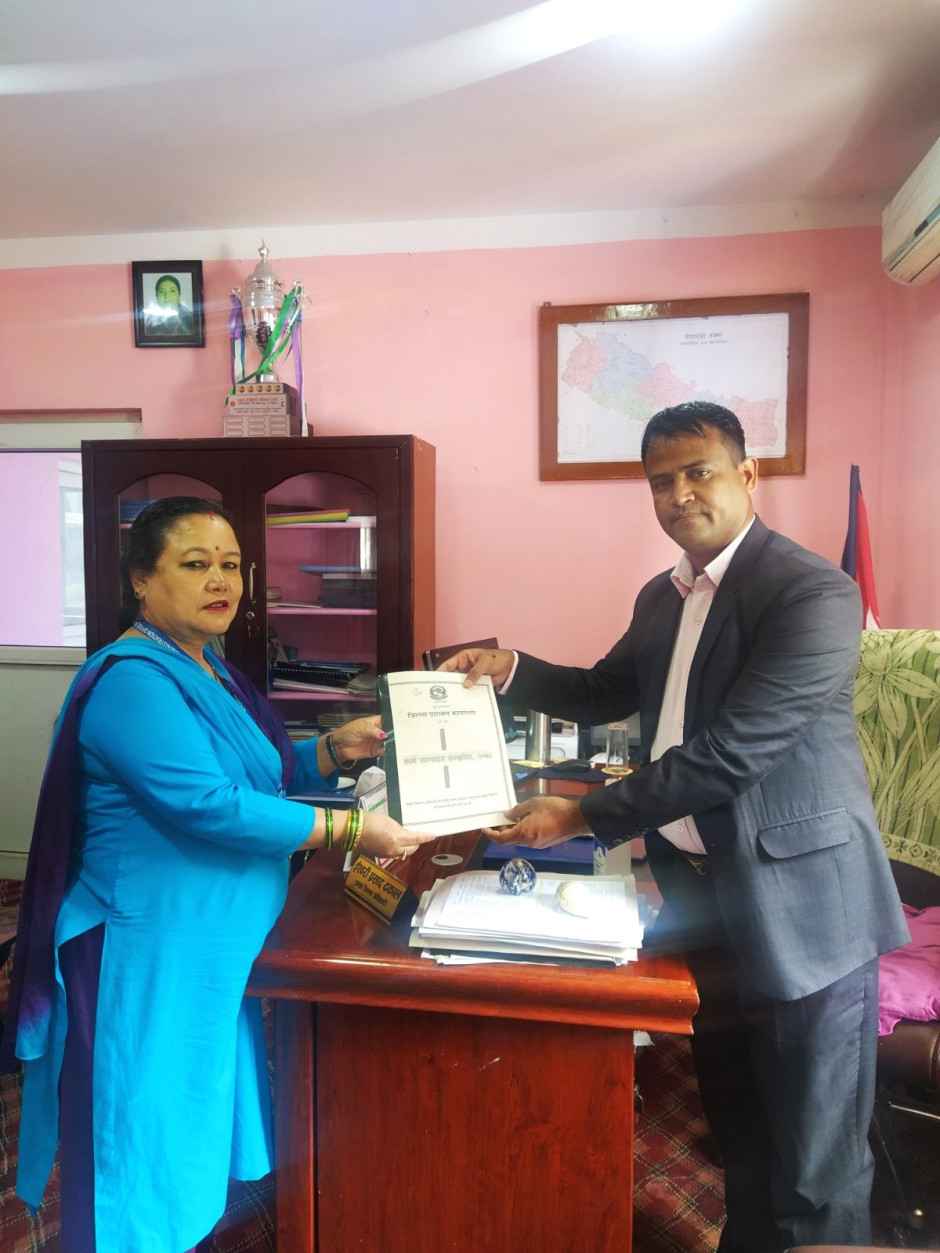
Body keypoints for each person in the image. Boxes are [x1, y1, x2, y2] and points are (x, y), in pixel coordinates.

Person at [440, 401, 909, 1253]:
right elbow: (603, 690)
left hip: (806, 907)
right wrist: (511, 669)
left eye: (699, 472)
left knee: (818, 1160)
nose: (680, 493)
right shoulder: (664, 596)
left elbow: (733, 752)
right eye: (662, 481)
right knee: (739, 1128)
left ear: (747, 475)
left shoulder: (811, 592)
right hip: (702, 899)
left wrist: (581, 814)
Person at [0, 496, 432, 1253]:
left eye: (231, 565)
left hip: (205, 948)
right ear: (140, 578)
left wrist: (334, 749)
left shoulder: (210, 670)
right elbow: (207, 803)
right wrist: (352, 828)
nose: (220, 580)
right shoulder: (132, 680)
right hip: (142, 953)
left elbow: (257, 773)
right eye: (195, 563)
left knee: (188, 1117)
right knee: (138, 1126)